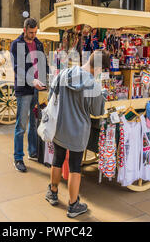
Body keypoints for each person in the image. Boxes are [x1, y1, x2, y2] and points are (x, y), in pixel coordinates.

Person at [45, 50, 110, 218]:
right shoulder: (94, 85)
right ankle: (73, 205)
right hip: (79, 131)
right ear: (99, 68)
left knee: (57, 160)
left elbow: (51, 96)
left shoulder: (65, 73)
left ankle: (52, 193)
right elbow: (97, 111)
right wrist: (102, 95)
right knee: (75, 167)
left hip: (59, 127)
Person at [10, 18, 47, 172]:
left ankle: (33, 151)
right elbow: (18, 69)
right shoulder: (16, 44)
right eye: (31, 32)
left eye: (35, 32)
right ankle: (18, 158)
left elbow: (43, 63)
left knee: (35, 122)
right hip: (25, 90)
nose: (33, 35)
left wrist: (47, 79)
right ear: (24, 29)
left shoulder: (38, 43)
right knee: (21, 125)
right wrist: (33, 81)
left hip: (38, 89)